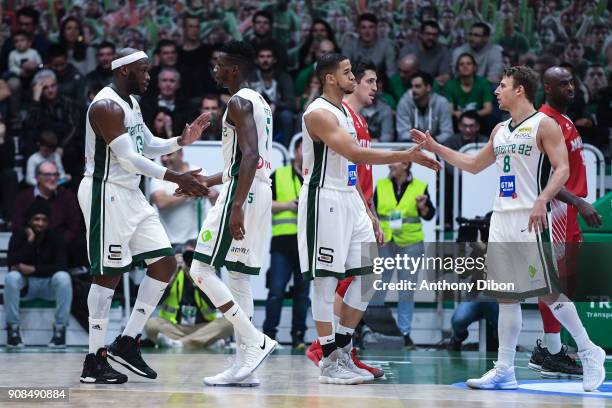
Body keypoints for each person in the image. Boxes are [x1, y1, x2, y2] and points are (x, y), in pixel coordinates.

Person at [411, 66, 606, 392]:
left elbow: (562, 169)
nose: (496, 91)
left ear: (520, 90)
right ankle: (504, 369)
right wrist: (435, 147)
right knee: (507, 298)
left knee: (548, 292)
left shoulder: (544, 125)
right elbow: (473, 165)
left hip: (529, 218)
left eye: (502, 86)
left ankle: (589, 351)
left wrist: (542, 199)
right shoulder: (500, 129)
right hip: (501, 219)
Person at [300, 53, 440, 384]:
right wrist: (404, 155)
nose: (355, 77)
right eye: (348, 73)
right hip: (325, 197)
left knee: (368, 277)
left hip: (352, 200)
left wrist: (368, 208)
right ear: (331, 78)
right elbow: (354, 154)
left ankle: (343, 349)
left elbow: (357, 166)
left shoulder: (347, 116)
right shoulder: (318, 112)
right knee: (326, 282)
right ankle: (328, 359)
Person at [78, 48, 211, 384]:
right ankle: (94, 360)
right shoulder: (106, 105)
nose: (149, 76)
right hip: (104, 192)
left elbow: (147, 145)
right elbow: (129, 159)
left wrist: (181, 140)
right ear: (124, 72)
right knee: (107, 275)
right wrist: (177, 178)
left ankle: (126, 341)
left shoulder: (133, 104)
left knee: (165, 264)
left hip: (131, 195)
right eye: (144, 70)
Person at [186, 41, 278, 387]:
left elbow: (250, 157)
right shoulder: (260, 102)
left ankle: (254, 339)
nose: (214, 70)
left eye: (219, 64)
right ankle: (245, 366)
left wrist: (235, 205)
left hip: (243, 194)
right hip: (257, 189)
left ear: (234, 69)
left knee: (200, 269)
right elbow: (245, 162)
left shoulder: (238, 102)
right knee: (238, 276)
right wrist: (202, 180)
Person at [528, 66, 603, 379]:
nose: (571, 87)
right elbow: (547, 177)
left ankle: (551, 348)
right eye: (563, 83)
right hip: (557, 210)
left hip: (568, 211)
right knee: (554, 284)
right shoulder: (545, 123)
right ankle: (553, 352)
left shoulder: (565, 118)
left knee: (565, 284)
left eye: (572, 82)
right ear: (547, 87)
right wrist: (580, 202)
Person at [371, 160, 435, 349]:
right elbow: (373, 211)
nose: (390, 165)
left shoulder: (420, 187)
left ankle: (404, 333)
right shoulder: (381, 185)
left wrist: (423, 206)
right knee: (378, 287)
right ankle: (375, 330)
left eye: (394, 162)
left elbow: (429, 214)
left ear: (406, 165)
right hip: (385, 242)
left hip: (411, 244)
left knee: (406, 290)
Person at [263, 135, 310, 348]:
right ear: (295, 151)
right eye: (302, 148)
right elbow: (265, 203)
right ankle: (268, 336)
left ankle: (298, 337)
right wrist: (288, 206)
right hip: (282, 243)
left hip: (306, 244)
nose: (305, 152)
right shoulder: (279, 174)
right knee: (276, 292)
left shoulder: (315, 178)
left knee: (302, 294)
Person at [5, 199, 72, 348]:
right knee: (11, 278)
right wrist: (30, 241)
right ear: (29, 220)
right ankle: (13, 330)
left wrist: (34, 269)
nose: (40, 223)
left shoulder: (56, 238)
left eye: (44, 220)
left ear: (48, 222)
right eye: (36, 219)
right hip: (26, 287)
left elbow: (62, 266)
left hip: (49, 287)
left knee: (63, 278)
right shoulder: (19, 236)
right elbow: (11, 262)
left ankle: (60, 329)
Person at [145, 242, 233, 349]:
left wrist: (197, 281)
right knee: (151, 324)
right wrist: (172, 275)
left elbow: (214, 304)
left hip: (204, 327)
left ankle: (180, 344)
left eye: (191, 259)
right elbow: (156, 302)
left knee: (231, 322)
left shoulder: (207, 274)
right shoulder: (171, 274)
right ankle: (205, 342)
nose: (188, 263)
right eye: (186, 258)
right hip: (176, 328)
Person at [150, 149, 218, 248]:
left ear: (181, 154)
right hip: (171, 242)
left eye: (169, 154)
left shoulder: (198, 172)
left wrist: (214, 195)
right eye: (162, 155)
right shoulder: (159, 177)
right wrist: (191, 189)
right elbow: (161, 202)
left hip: (201, 239)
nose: (164, 158)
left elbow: (215, 201)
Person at [249, 45, 296, 146]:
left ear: (274, 60)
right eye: (262, 57)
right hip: (255, 112)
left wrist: (275, 104)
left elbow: (292, 103)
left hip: (278, 113)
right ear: (257, 60)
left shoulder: (283, 77)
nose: (265, 60)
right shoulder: (251, 77)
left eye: (268, 56)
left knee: (287, 116)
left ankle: (286, 151)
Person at [396, 72, 453, 144]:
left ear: (428, 87)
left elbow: (448, 133)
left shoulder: (442, 103)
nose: (413, 90)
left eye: (417, 86)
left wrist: (430, 141)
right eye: (412, 86)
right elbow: (402, 133)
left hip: (436, 145)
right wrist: (422, 140)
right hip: (411, 146)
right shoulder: (404, 103)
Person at [342, 13, 397, 78]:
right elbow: (344, 71)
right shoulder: (349, 46)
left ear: (376, 29)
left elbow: (391, 72)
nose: (367, 31)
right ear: (358, 30)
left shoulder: (387, 46)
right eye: (363, 27)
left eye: (371, 27)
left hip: (379, 83)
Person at [399, 21, 451, 87]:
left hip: (433, 90)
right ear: (420, 34)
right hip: (409, 87)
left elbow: (445, 77)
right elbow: (403, 75)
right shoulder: (407, 50)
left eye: (434, 35)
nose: (431, 37)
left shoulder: (443, 51)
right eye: (428, 34)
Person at [444, 53, 493, 122]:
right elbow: (449, 110)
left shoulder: (483, 83)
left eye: (468, 63)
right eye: (461, 64)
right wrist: (459, 115)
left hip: (479, 121)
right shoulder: (450, 85)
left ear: (474, 67)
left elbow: (488, 109)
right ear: (457, 68)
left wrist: (469, 116)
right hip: (457, 122)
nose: (465, 66)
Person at [177, 14, 214, 99]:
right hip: (183, 99)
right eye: (191, 26)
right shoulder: (177, 53)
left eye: (197, 27)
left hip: (206, 98)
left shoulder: (208, 51)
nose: (194, 30)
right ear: (184, 29)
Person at [0, 118, 18, 230]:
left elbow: (9, 163)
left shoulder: (8, 140)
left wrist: (1, 140)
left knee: (10, 175)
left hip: (2, 173)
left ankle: (9, 218)